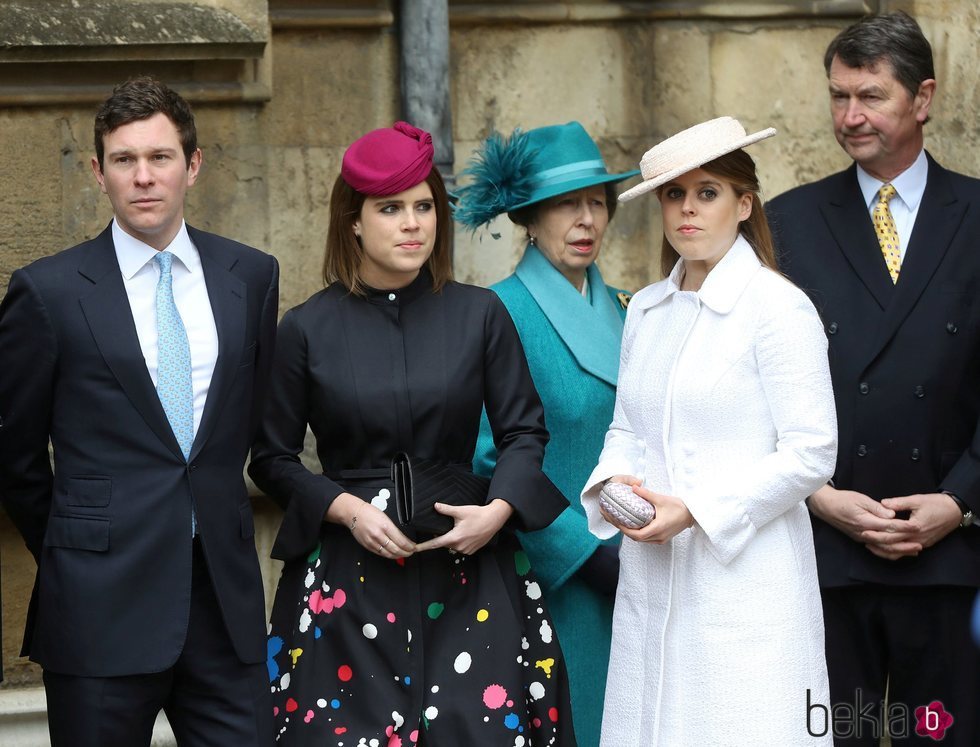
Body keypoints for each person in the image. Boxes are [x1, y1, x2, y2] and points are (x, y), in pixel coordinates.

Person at [248, 122, 576, 746]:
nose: (412, 224)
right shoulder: (307, 328)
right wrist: (342, 509)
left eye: (424, 207)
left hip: (469, 566)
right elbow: (271, 456)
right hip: (347, 577)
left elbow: (524, 432)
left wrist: (498, 511)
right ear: (353, 219)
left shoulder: (480, 314)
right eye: (391, 208)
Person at [0, 77, 278, 746]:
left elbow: (254, 423)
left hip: (223, 602)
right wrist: (80, 542)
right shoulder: (49, 292)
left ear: (194, 165)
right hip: (100, 605)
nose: (144, 177)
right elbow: (13, 454)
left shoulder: (251, 275)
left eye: (160, 157)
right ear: (99, 173)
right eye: (124, 160)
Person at [581, 117, 837, 746]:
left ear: (744, 204)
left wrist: (695, 510)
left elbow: (812, 452)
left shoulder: (777, 307)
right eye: (675, 195)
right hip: (653, 572)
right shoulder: (645, 309)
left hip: (748, 581)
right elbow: (627, 426)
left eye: (708, 192)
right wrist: (615, 488)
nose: (688, 210)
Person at [766, 11, 979, 745]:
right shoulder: (785, 224)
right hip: (825, 559)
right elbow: (750, 391)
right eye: (837, 96)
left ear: (921, 98)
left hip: (952, 560)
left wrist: (960, 499)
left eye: (871, 97)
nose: (850, 116)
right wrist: (817, 495)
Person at [456, 121, 637, 746]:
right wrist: (585, 558)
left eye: (596, 202)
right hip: (554, 574)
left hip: (644, 561)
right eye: (566, 204)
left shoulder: (629, 307)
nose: (586, 219)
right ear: (530, 217)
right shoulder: (496, 310)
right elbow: (488, 455)